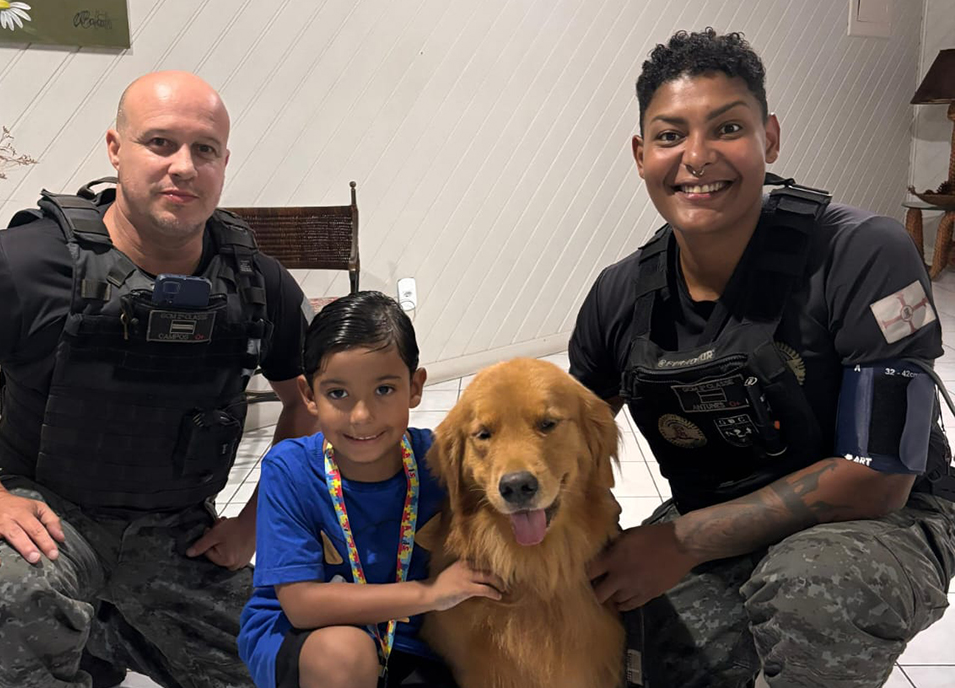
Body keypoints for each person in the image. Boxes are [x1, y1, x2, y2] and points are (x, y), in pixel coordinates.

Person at [569, 29, 955, 688]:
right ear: (640, 154)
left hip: (882, 521)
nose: (696, 156)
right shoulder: (620, 295)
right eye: (669, 135)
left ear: (769, 138)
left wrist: (681, 542)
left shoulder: (864, 253)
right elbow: (560, 441)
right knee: (626, 629)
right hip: (713, 516)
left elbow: (879, 478)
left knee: (809, 591)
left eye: (727, 127)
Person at [0, 71, 317, 688]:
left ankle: (104, 632)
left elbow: (305, 401)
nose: (183, 167)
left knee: (290, 668)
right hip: (47, 521)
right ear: (116, 148)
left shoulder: (259, 282)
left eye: (205, 150)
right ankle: (82, 630)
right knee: (10, 595)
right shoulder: (20, 264)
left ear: (225, 162)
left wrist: (254, 522)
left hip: (178, 533)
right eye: (160, 143)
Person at [238, 290, 504, 688]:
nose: (361, 417)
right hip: (313, 636)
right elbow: (302, 605)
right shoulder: (291, 468)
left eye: (384, 390)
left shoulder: (441, 459)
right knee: (346, 656)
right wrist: (431, 593)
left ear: (415, 387)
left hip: (414, 637)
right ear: (309, 395)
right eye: (337, 393)